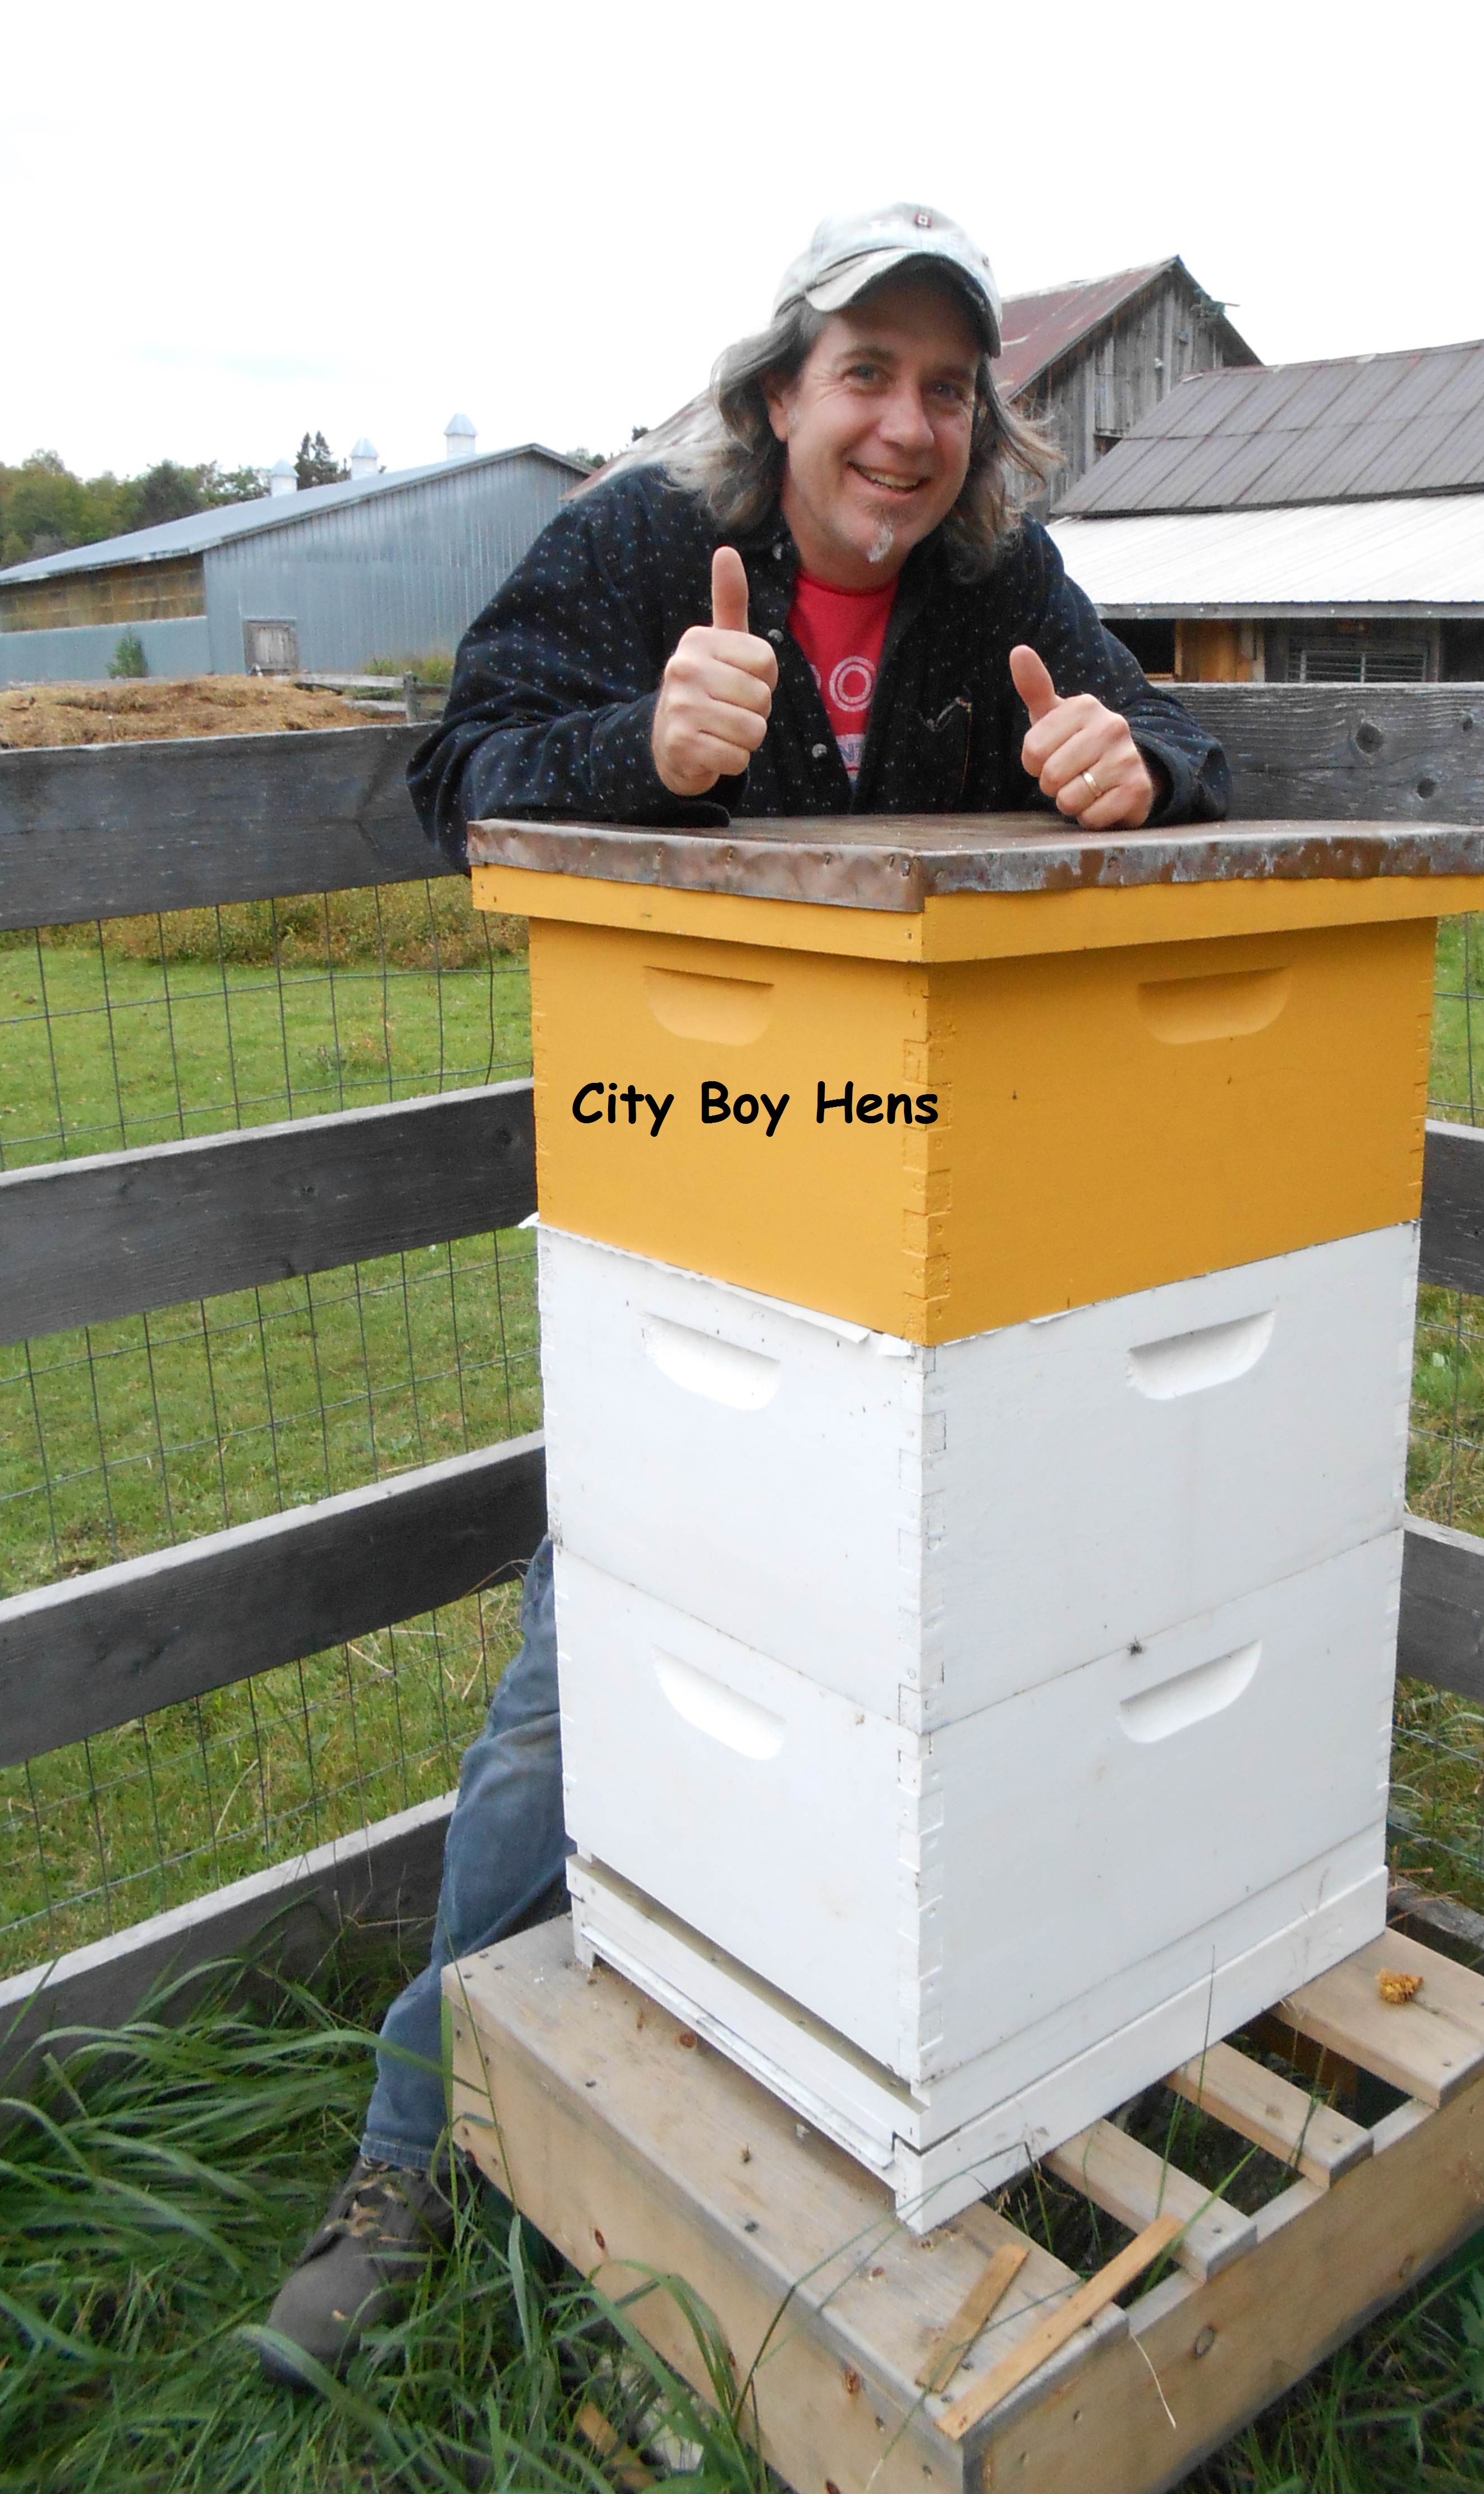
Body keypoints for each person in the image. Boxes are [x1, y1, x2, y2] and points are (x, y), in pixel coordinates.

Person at [260, 201, 1228, 2383]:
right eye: (866, 374)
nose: (905, 427)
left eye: (946, 389)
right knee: (585, 1676)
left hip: (931, 1270)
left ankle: (862, 2076)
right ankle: (414, 2141)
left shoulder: (1002, 583)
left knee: (908, 1689)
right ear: (782, 388)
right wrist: (649, 747)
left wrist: (1133, 766)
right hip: (702, 1223)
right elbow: (457, 778)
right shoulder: (636, 542)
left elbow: (1174, 742)